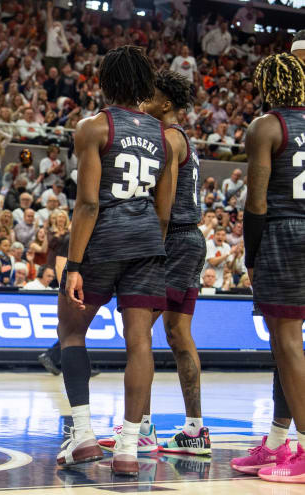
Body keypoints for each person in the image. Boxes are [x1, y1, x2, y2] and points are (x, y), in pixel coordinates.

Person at [56, 46, 176, 476]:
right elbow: (164, 212)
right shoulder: (166, 136)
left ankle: (84, 437)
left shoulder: (93, 127)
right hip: (147, 242)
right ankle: (128, 446)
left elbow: (87, 203)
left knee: (71, 332)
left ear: (105, 80)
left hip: (102, 241)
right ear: (145, 84)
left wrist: (73, 264)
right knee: (139, 342)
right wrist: (147, 247)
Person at [101, 70, 209, 455]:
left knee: (139, 333)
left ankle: (142, 428)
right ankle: (195, 431)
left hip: (173, 238)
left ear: (165, 104)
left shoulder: (165, 137)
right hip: (192, 238)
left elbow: (163, 202)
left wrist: (152, 246)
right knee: (179, 335)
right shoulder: (184, 139)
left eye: (150, 97)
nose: (143, 102)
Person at [230, 53, 305, 483]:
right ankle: (278, 441)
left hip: (285, 231)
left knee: (287, 343)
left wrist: (252, 255)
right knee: (285, 347)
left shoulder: (266, 126)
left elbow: (256, 201)